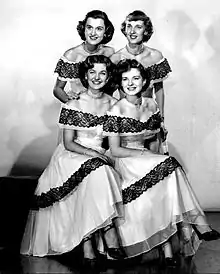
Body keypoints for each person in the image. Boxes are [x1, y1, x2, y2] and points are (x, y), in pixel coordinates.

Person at [103, 59, 220, 266]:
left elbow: (154, 140)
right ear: (119, 83)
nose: (130, 83)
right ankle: (196, 224)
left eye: (136, 78)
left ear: (145, 80)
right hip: (125, 159)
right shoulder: (116, 109)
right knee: (170, 165)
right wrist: (149, 158)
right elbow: (115, 149)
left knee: (168, 171)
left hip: (147, 158)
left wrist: (156, 159)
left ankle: (168, 250)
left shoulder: (151, 105)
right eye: (125, 79)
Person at [20, 55, 125, 264]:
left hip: (99, 154)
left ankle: (89, 238)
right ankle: (105, 232)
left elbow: (114, 142)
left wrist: (104, 155)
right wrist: (94, 155)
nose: (97, 77)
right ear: (85, 75)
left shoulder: (115, 105)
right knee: (97, 170)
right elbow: (69, 143)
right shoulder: (73, 104)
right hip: (73, 155)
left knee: (99, 172)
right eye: (92, 72)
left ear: (108, 76)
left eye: (102, 73)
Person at [53, 10, 115, 103]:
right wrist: (70, 102)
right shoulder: (72, 55)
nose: (93, 33)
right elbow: (57, 89)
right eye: (89, 27)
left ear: (105, 31)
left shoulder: (109, 53)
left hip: (104, 108)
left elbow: (116, 83)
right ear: (83, 29)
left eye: (99, 29)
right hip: (81, 109)